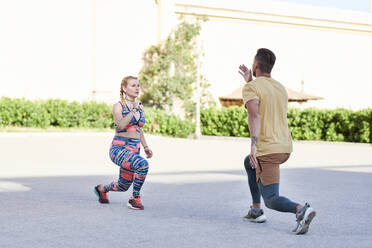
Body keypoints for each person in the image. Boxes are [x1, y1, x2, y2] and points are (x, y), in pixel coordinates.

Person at [238, 48, 316, 234]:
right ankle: (256, 210)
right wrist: (250, 82)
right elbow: (266, 103)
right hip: (284, 147)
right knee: (249, 164)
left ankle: (301, 210)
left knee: (272, 198)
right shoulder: (280, 87)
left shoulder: (252, 88)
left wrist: (254, 148)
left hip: (268, 150)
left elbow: (255, 116)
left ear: (255, 65)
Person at [94, 76, 153, 210]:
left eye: (138, 85)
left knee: (123, 185)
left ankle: (101, 189)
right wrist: (133, 111)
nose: (137, 88)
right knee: (142, 165)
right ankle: (135, 199)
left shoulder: (139, 106)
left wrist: (146, 147)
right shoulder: (118, 106)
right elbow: (121, 125)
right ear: (124, 89)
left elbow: (138, 129)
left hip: (133, 150)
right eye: (133, 85)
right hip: (119, 149)